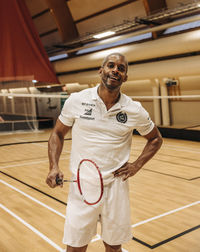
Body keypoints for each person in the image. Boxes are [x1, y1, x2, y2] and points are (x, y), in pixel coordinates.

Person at [46, 53, 163, 252]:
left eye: (121, 68)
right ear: (101, 70)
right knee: (75, 247)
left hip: (116, 187)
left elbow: (155, 139)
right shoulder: (77, 100)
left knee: (114, 246)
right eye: (111, 65)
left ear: (125, 77)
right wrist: (53, 166)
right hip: (82, 186)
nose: (115, 70)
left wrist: (136, 166)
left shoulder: (134, 109)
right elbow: (57, 132)